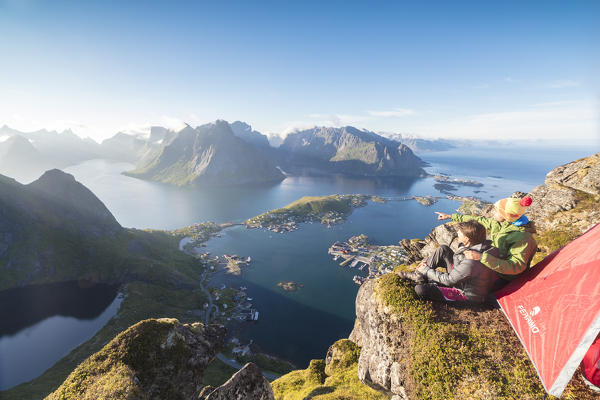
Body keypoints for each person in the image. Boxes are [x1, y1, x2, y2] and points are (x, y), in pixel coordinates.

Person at [434, 196, 537, 279]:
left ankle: (450, 281)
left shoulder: (523, 238)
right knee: (446, 250)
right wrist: (451, 216)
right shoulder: (502, 224)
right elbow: (478, 220)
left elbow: (516, 267)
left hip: (502, 278)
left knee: (464, 260)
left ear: (506, 215)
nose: (493, 213)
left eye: (497, 211)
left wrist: (482, 257)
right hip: (490, 266)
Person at [400, 220, 502, 303]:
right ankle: (418, 275)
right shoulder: (481, 246)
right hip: (463, 277)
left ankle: (423, 278)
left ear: (467, 239)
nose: (457, 233)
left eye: (460, 232)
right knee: (443, 249)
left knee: (420, 289)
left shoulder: (472, 261)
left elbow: (449, 280)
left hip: (465, 294)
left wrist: (426, 270)